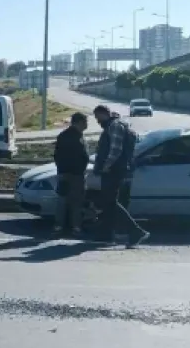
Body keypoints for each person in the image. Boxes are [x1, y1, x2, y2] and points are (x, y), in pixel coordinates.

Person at [92, 105, 150, 248]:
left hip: (113, 170)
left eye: (97, 117)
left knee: (110, 202)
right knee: (109, 202)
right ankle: (107, 235)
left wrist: (106, 165)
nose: (97, 120)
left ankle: (136, 231)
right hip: (116, 170)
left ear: (103, 114)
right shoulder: (116, 125)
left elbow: (115, 149)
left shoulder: (115, 126)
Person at [53, 112, 90, 237]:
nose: (87, 125)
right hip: (75, 174)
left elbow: (57, 155)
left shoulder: (64, 136)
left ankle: (59, 226)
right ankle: (75, 227)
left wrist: (61, 171)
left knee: (63, 200)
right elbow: (81, 156)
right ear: (79, 122)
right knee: (76, 202)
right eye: (85, 122)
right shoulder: (76, 137)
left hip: (65, 172)